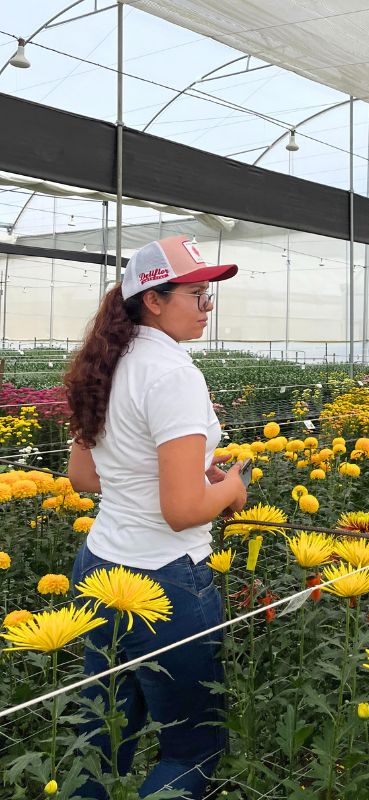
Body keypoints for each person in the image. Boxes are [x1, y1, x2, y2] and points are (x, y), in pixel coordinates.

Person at [65, 235, 247, 798]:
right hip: (166, 578)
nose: (207, 308)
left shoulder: (107, 363)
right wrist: (231, 489)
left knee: (101, 738)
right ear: (154, 299)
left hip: (99, 566)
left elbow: (85, 478)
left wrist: (161, 482)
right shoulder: (173, 374)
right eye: (197, 295)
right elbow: (182, 511)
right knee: (193, 746)